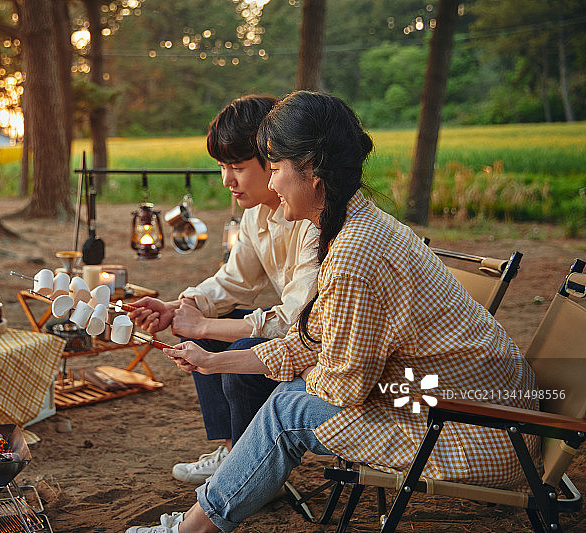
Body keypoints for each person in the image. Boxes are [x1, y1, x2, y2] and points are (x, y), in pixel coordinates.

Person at [126, 91, 540, 533]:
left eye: (277, 167)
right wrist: (213, 360)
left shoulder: (351, 254)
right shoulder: (356, 223)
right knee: (291, 396)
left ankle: (190, 529)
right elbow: (314, 341)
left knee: (288, 410)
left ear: (313, 173)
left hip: (476, 433)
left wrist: (290, 372)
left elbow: (342, 384)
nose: (275, 180)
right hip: (469, 409)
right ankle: (205, 513)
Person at [128, 95, 320, 484]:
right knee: (205, 323)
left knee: (235, 347)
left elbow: (295, 325)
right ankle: (236, 453)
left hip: (315, 344)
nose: (227, 180)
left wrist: (202, 327)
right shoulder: (256, 215)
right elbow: (235, 281)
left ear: (274, 159)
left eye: (237, 167)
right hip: (295, 334)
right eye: (221, 167)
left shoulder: (314, 219)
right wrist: (178, 308)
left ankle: (255, 472)